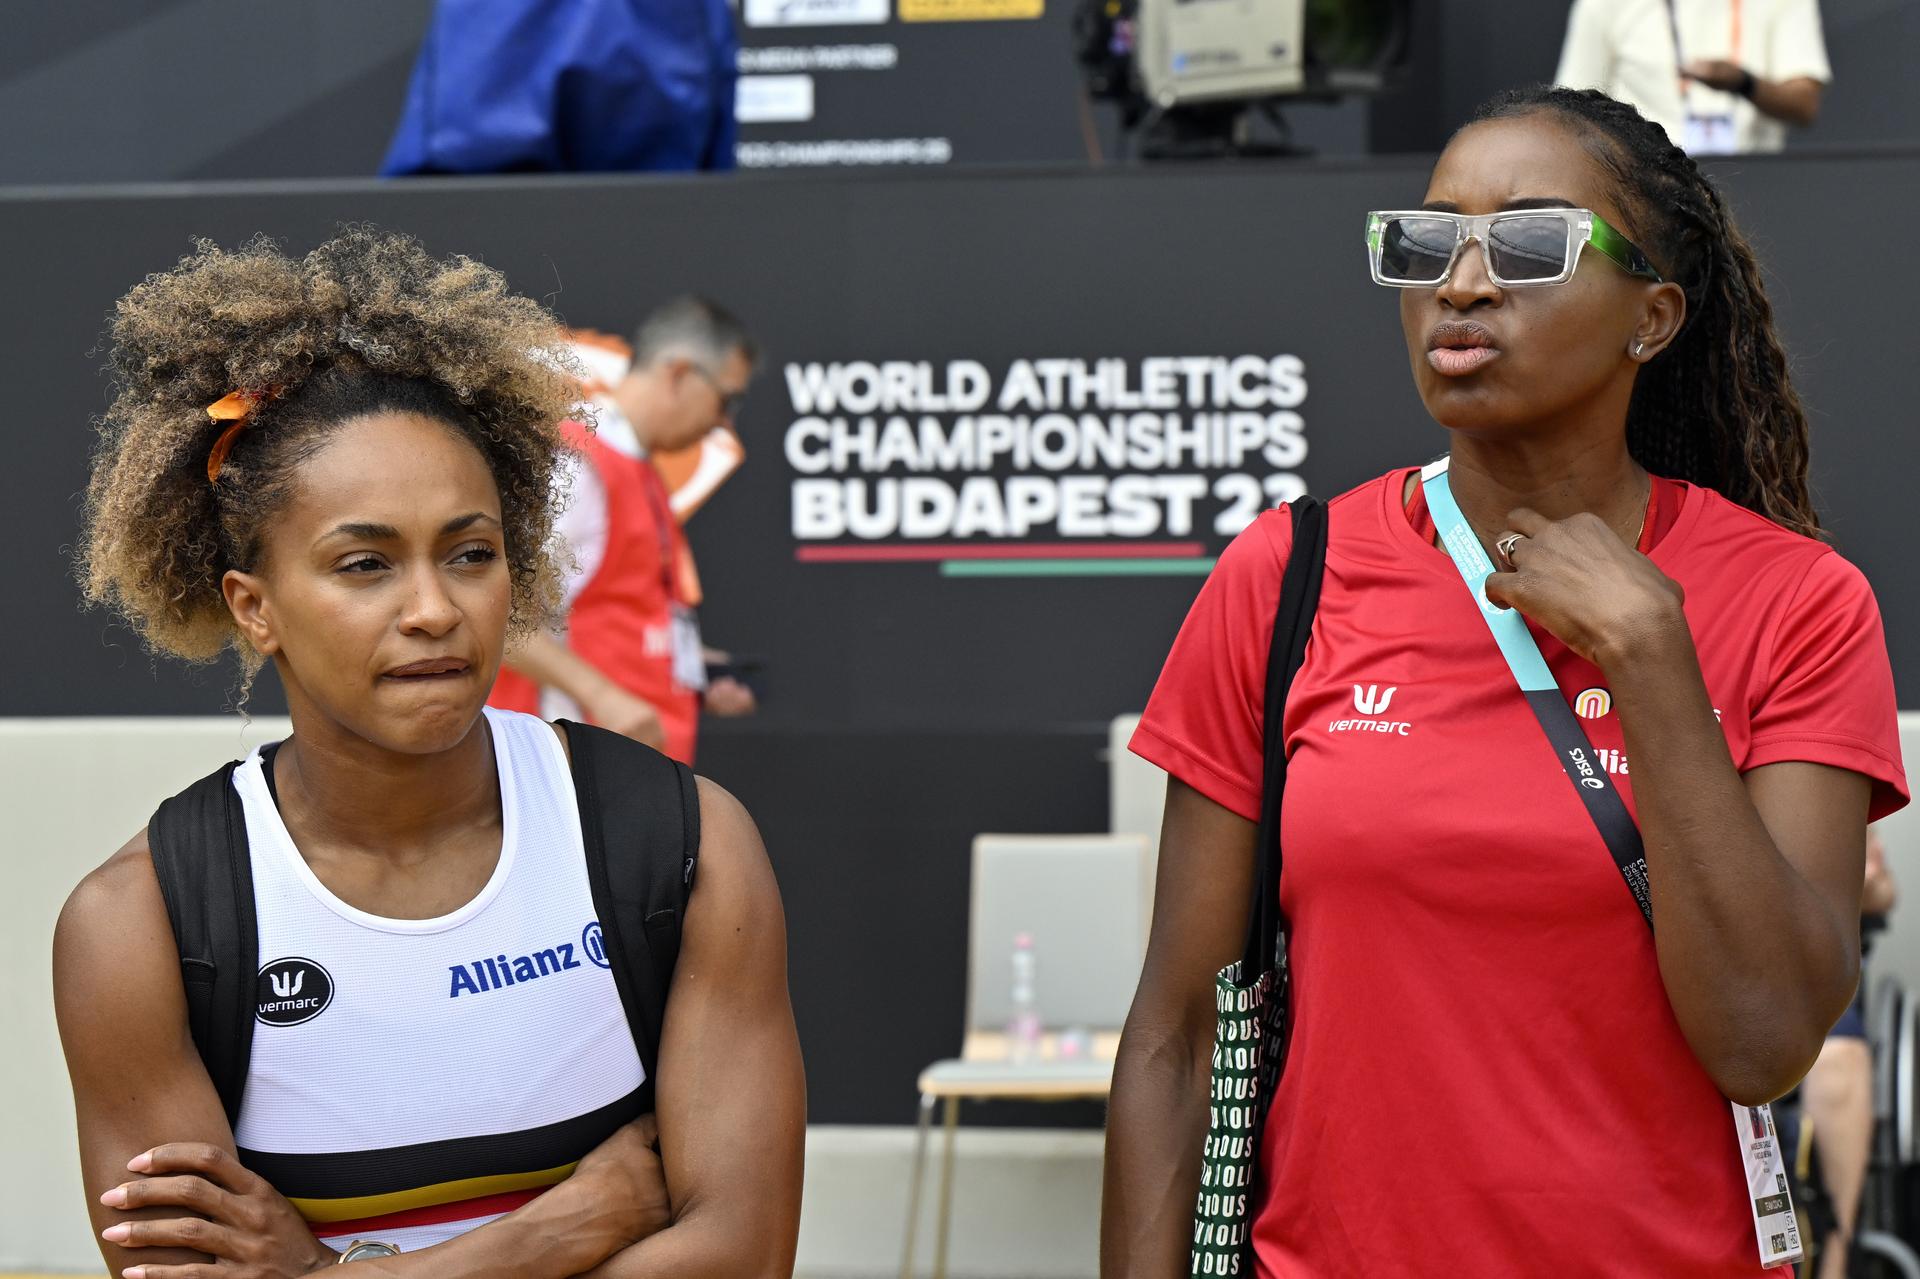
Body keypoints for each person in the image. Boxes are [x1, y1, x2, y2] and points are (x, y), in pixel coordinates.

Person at [1103, 85, 1906, 1277]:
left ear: (1653, 316)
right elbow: (1176, 1035)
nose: (1462, 284)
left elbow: (1766, 1040)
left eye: (1529, 243)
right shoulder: (1287, 576)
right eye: (1428, 242)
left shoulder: (1799, 601)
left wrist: (1653, 660)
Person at [54, 229, 804, 1275]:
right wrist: (565, 1228)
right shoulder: (142, 924)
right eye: (364, 563)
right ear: (254, 607)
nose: (433, 609)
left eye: (471, 553)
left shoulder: (684, 845)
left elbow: (743, 1257)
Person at [489, 299, 759, 764]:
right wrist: (603, 695)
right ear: (678, 374)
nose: (725, 421)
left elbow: (620, 613)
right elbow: (499, 614)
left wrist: (693, 671)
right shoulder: (577, 466)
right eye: (727, 398)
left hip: (623, 771)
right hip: (572, 771)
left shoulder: (632, 465)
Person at [1802, 826, 1897, 1279]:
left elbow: (1883, 892)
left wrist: (1864, 879)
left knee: (1837, 1057)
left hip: (1817, 982)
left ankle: (1837, 1253)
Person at [1555, 0, 1831, 155]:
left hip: (1750, 178)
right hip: (1642, 181)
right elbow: (1572, 107)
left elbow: (1804, 103)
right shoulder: (1604, 5)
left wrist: (1743, 83)